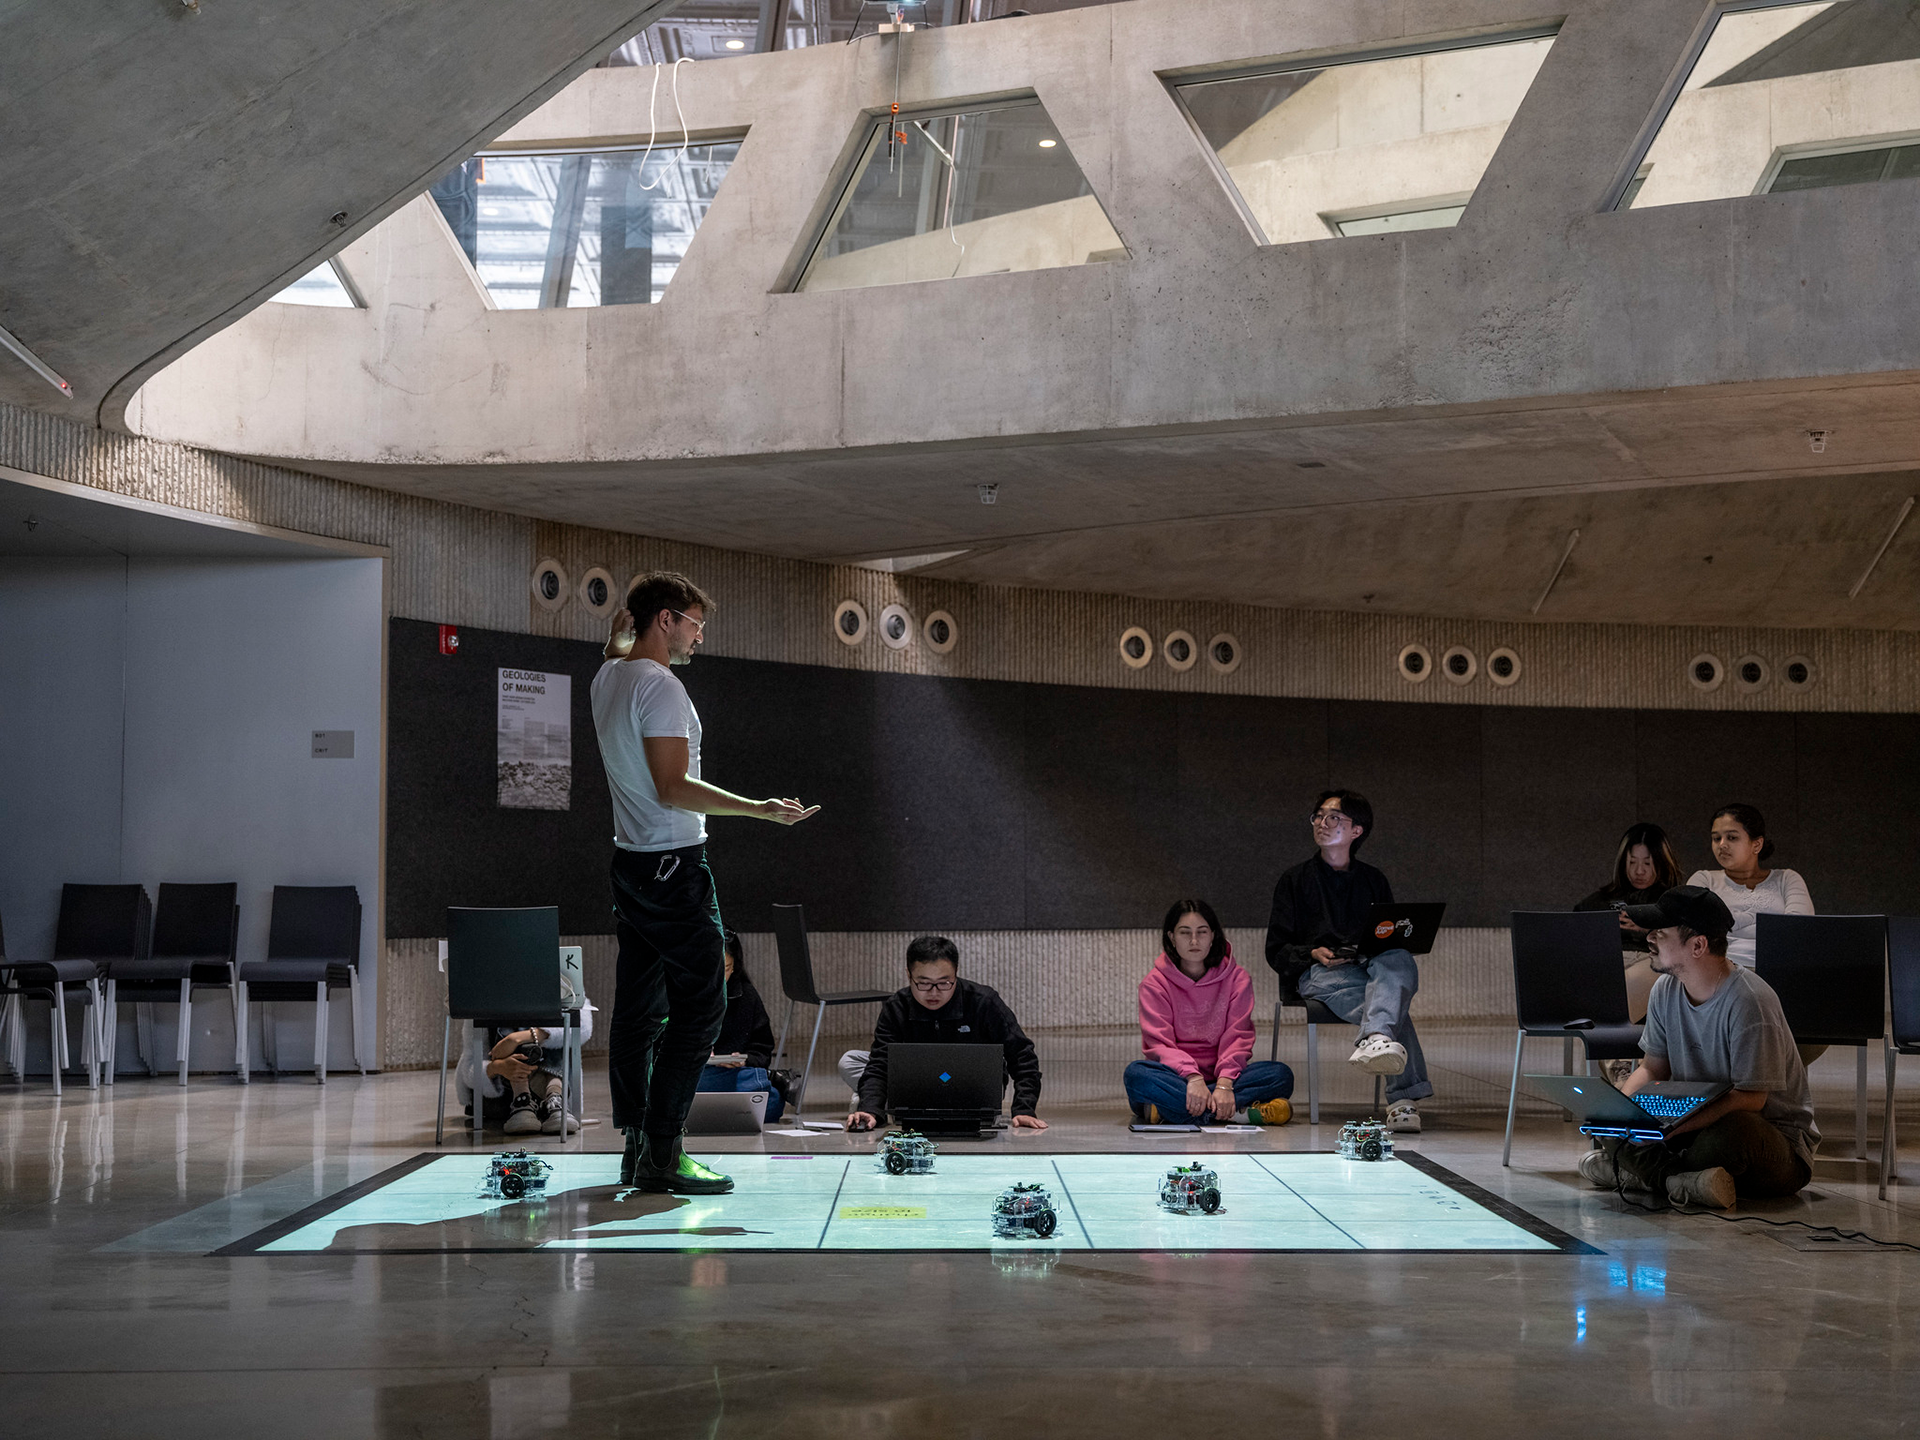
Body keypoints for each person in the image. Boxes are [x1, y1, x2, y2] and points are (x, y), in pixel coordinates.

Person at [593, 571, 819, 1195]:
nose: (700, 635)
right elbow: (673, 786)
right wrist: (759, 807)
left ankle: (638, 1144)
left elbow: (616, 650)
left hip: (632, 866)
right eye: (694, 622)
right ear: (665, 619)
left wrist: (621, 633)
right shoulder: (662, 688)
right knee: (702, 1008)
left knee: (638, 1013)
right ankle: (666, 1151)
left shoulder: (609, 678)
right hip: (673, 866)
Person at [1577, 885, 1818, 1207]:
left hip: (1772, 1144)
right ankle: (1681, 1182)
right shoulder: (1665, 989)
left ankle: (1639, 1175)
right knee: (1609, 1119)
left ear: (1698, 945)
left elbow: (1752, 1098)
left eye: (1661, 933)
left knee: (1732, 1134)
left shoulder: (1749, 1001)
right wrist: (1624, 1108)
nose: (1649, 937)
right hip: (1693, 1121)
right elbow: (1652, 1067)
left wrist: (1677, 1127)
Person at [1264, 788, 1430, 1133]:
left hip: (1368, 967)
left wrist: (1371, 951)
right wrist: (1310, 952)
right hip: (1318, 973)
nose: (1322, 823)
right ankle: (1401, 1097)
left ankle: (1375, 1038)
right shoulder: (1294, 880)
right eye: (1319, 816)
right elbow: (1276, 948)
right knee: (1390, 1004)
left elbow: (1389, 936)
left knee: (1397, 957)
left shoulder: (1373, 880)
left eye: (1333, 817)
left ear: (1357, 831)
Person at [843, 936, 1046, 1131]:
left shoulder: (983, 1001)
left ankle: (882, 1098)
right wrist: (869, 1110)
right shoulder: (897, 1006)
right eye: (923, 983)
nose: (933, 992)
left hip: (971, 1088)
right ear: (909, 975)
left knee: (964, 1095)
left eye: (944, 983)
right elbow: (880, 1063)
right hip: (915, 1082)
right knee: (849, 1060)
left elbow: (1021, 1054)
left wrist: (1024, 1109)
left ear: (956, 973)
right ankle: (877, 1101)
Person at [1124, 899, 1294, 1125]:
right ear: (1171, 937)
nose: (1194, 941)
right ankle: (1238, 1113)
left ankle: (1175, 1111)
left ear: (1213, 936)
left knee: (1280, 1075)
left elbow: (1238, 1037)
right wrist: (1193, 1078)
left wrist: (1224, 1084)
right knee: (1137, 1075)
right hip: (1176, 1079)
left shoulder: (1237, 979)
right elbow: (1160, 1045)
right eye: (1185, 933)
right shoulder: (1155, 984)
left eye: (1202, 932)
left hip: (1225, 1078)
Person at [1573, 822, 1685, 1025]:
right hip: (1606, 962)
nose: (1639, 871)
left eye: (1647, 864)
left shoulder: (1673, 899)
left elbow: (1684, 943)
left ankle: (1610, 1052)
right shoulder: (1599, 900)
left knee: (1625, 986)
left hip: (1650, 961)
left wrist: (1646, 930)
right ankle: (1609, 1053)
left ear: (1661, 863)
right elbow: (1576, 931)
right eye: (1632, 862)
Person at [1684, 802, 1814, 970]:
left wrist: (1729, 922)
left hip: (1779, 968)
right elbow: (1694, 928)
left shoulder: (1787, 878)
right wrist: (1760, 921)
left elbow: (1797, 930)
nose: (1722, 844)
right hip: (1719, 971)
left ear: (1756, 844)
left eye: (1732, 837)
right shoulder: (1703, 879)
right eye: (1716, 838)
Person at [695, 930, 786, 1122]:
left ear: (735, 967)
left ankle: (701, 1110)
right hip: (693, 1074)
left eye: (726, 969)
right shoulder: (680, 991)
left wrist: (744, 1060)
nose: (719, 977)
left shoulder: (746, 995)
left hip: (731, 1074)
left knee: (773, 1102)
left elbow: (762, 1049)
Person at [455, 1014, 592, 1135]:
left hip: (546, 1087)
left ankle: (554, 1097)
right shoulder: (484, 996)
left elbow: (582, 1028)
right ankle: (522, 1099)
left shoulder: (564, 987)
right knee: (503, 1017)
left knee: (560, 1017)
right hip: (502, 1098)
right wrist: (497, 1067)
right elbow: (468, 1069)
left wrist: (521, 1038)